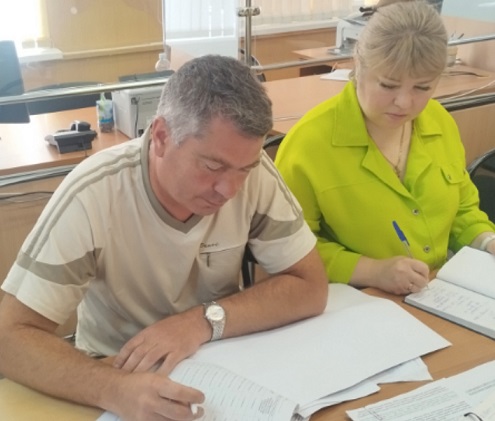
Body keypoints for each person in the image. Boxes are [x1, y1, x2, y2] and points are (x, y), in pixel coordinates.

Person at [0, 55, 328, 420]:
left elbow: (310, 285)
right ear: (160, 137)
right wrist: (113, 388)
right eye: (212, 167)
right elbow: (8, 337)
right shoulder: (93, 194)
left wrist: (200, 322)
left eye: (244, 169)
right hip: (115, 369)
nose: (230, 190)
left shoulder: (252, 172)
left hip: (220, 356)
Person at [275, 0, 495, 296]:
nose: (404, 103)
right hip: (357, 299)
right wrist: (372, 270)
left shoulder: (439, 121)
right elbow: (286, 251)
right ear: (358, 66)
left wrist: (487, 241)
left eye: (422, 88)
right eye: (388, 85)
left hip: (436, 291)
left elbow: (462, 209)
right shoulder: (308, 144)